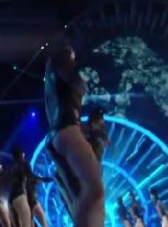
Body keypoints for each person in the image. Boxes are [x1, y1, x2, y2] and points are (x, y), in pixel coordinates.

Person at [43, 43, 104, 226]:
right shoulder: (62, 75)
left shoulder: (53, 84)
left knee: (90, 192)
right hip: (68, 132)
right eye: (71, 57)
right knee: (94, 190)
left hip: (64, 133)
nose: (74, 61)